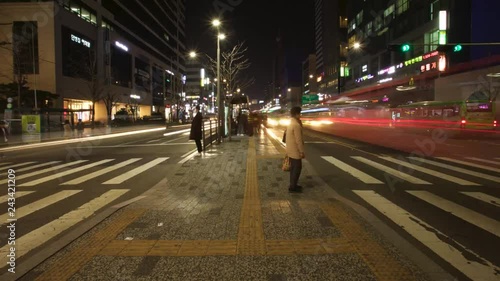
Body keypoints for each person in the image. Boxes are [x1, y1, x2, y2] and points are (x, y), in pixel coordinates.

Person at [285, 106, 305, 193]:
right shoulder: (296, 125)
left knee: (293, 168)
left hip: (290, 149)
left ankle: (293, 184)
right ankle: (293, 187)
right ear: (297, 114)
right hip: (295, 150)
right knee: (297, 168)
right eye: (299, 113)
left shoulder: (290, 123)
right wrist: (301, 151)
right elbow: (298, 140)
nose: (300, 115)